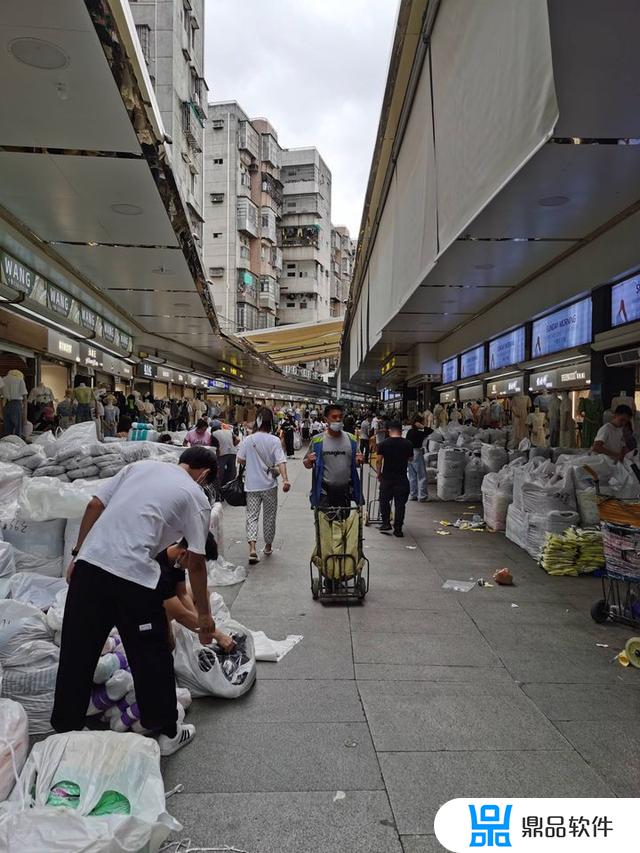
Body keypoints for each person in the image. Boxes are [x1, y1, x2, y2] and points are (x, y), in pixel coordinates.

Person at [51, 446, 218, 756]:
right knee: (150, 655)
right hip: (134, 579)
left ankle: (65, 730)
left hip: (90, 569)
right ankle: (167, 731)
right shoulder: (197, 498)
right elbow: (195, 562)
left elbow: (94, 505)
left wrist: (77, 555)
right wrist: (206, 619)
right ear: (204, 474)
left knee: (77, 652)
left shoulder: (139, 468)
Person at [156, 534, 235, 652]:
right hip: (144, 607)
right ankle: (170, 652)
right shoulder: (159, 570)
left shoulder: (176, 556)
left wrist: (202, 622)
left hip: (167, 598)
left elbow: (182, 594)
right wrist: (217, 635)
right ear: (184, 554)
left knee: (200, 592)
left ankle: (200, 637)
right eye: (198, 564)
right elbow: (180, 615)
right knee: (164, 617)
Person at [236, 408, 291, 565]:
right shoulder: (274, 440)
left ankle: (252, 548)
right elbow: (281, 461)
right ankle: (267, 546)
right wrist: (285, 480)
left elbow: (240, 460)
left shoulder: (248, 439)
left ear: (258, 421)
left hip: (251, 486)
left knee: (251, 517)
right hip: (269, 486)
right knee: (269, 517)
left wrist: (252, 461)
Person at [304, 402, 363, 508]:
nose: (338, 420)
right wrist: (309, 461)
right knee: (325, 523)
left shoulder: (352, 439)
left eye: (340, 416)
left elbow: (356, 463)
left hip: (345, 492)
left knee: (343, 523)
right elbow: (307, 464)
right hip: (324, 492)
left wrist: (358, 460)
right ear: (326, 419)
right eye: (334, 417)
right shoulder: (317, 440)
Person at [376, 420, 413, 537]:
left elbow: (378, 460)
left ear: (389, 430)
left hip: (387, 478)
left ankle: (386, 523)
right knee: (400, 504)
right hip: (402, 478)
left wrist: (378, 473)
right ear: (401, 431)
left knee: (384, 501)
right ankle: (398, 529)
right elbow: (410, 459)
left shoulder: (383, 444)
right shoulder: (408, 444)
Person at [405, 417, 429, 502]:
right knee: (422, 475)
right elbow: (431, 431)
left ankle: (413, 495)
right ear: (418, 423)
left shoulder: (410, 432)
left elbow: (406, 442)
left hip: (409, 452)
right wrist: (423, 427)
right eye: (422, 422)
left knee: (412, 476)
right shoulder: (419, 433)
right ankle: (422, 496)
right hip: (417, 453)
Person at [210, 419, 238, 485]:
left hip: (222, 453)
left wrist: (217, 457)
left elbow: (216, 448)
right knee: (231, 470)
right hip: (233, 452)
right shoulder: (229, 431)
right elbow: (238, 439)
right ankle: (231, 486)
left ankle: (219, 486)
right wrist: (232, 446)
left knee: (220, 472)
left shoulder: (213, 434)